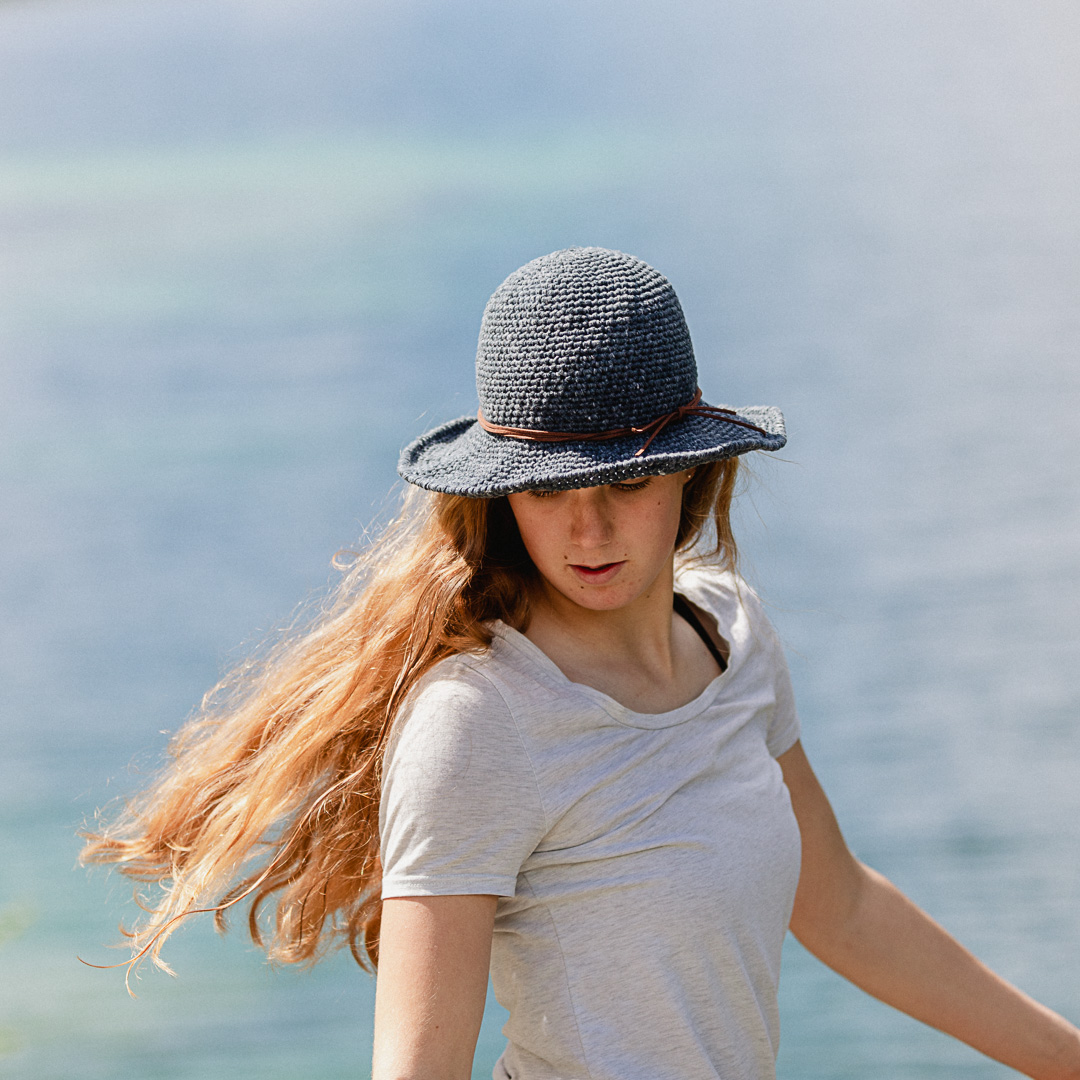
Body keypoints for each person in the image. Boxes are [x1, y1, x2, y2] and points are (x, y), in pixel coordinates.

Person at [83, 248, 1080, 1080]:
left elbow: (844, 908)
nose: (589, 525)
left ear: (693, 468)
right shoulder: (479, 721)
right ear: (500, 492)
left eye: (628, 478)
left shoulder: (732, 637)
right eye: (549, 486)